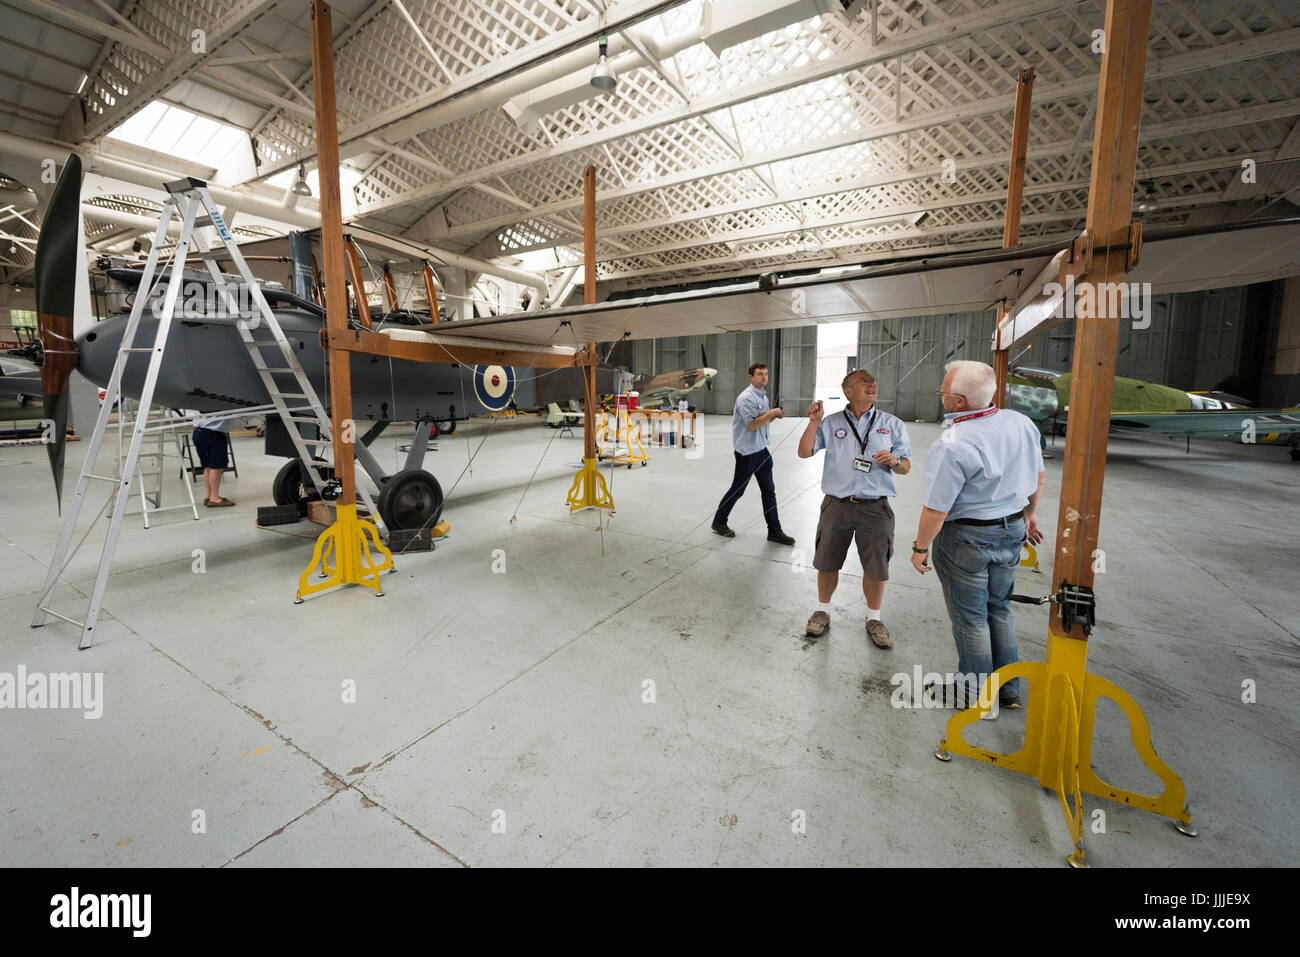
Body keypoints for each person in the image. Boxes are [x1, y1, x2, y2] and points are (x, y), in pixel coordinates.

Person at [909, 360, 1046, 710]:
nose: (940, 393)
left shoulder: (953, 443)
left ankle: (972, 693)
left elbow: (937, 509)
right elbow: (1039, 475)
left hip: (967, 539)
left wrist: (920, 547)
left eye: (943, 390)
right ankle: (1008, 689)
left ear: (957, 402)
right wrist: (1029, 516)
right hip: (1012, 528)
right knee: (999, 608)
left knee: (970, 618)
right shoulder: (1021, 423)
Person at [797, 369, 912, 647]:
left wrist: (894, 461)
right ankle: (822, 610)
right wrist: (813, 423)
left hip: (875, 507)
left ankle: (874, 618)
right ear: (848, 390)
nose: (872, 384)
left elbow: (906, 466)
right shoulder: (832, 422)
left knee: (876, 566)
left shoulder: (891, 424)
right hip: (837, 505)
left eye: (873, 381)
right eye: (864, 381)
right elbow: (804, 452)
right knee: (827, 561)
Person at [712, 362, 795, 545]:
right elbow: (751, 425)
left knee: (769, 491)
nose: (764, 377)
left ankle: (774, 531)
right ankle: (719, 522)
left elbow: (761, 423)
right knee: (738, 490)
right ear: (751, 377)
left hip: (761, 451)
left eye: (765, 374)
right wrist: (772, 412)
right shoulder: (746, 398)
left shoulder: (762, 397)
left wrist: (773, 415)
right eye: (759, 374)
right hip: (747, 453)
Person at [192, 413, 235, 507]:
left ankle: (209, 496)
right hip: (213, 433)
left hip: (198, 432)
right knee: (217, 467)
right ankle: (214, 498)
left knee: (207, 466)